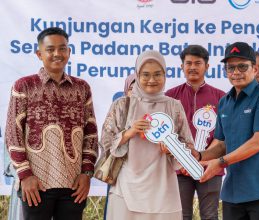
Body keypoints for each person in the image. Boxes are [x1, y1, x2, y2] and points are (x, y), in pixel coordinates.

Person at [5, 27, 98, 220]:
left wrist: (86, 173)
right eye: (50, 49)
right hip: (36, 183)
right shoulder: (24, 86)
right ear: (39, 54)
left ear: (69, 52)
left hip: (74, 184)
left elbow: (90, 133)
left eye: (62, 48)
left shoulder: (82, 88)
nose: (57, 54)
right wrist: (25, 175)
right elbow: (13, 133)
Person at [101, 50, 194, 220]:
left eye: (157, 74)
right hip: (125, 188)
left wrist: (172, 149)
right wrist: (129, 133)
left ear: (165, 75)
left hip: (164, 188)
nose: (152, 80)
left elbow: (188, 146)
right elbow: (105, 143)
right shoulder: (121, 105)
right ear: (137, 75)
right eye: (145, 75)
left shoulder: (174, 106)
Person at [197, 42, 259, 220]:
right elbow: (221, 144)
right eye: (230, 67)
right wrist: (197, 157)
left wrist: (219, 163)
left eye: (242, 66)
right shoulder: (224, 102)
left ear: (254, 69)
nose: (236, 72)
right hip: (232, 193)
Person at [166, 45, 225, 220]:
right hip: (178, 169)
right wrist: (183, 161)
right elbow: (166, 133)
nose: (192, 67)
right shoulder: (170, 96)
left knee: (210, 216)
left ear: (207, 66)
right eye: (188, 63)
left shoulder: (221, 97)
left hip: (210, 167)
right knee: (180, 216)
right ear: (182, 66)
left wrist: (203, 159)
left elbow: (223, 135)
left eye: (197, 63)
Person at [102, 73, 136, 220]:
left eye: (141, 88)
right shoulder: (119, 106)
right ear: (126, 89)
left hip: (148, 174)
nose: (136, 93)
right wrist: (127, 135)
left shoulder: (157, 108)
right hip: (119, 170)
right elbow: (106, 140)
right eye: (132, 88)